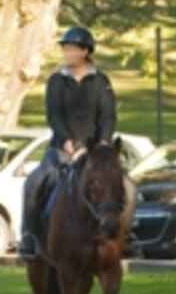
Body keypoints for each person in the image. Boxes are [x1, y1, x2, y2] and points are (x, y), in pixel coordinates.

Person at [18, 26, 133, 260]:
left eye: (71, 49)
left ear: (84, 52)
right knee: (34, 181)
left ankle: (128, 236)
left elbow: (108, 115)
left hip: (96, 150)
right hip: (62, 147)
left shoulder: (101, 81)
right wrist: (67, 141)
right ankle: (29, 236)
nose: (67, 53)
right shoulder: (56, 81)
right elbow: (54, 115)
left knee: (128, 186)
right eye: (65, 49)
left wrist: (102, 142)